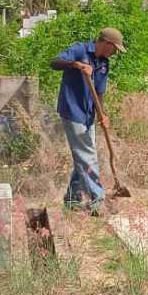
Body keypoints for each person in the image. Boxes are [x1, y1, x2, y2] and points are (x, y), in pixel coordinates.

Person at [50, 27, 126, 215]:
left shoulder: (104, 64)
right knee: (88, 156)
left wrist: (103, 114)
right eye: (114, 48)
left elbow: (99, 92)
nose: (115, 52)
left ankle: (72, 199)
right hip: (72, 111)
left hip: (89, 115)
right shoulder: (80, 50)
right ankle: (97, 200)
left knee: (83, 158)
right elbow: (55, 62)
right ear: (107, 44)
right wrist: (76, 64)